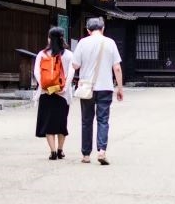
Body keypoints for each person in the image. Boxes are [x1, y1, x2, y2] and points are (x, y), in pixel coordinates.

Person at [72, 16, 124, 165]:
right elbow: (117, 68)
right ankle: (101, 151)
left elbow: (75, 65)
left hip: (87, 87)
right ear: (103, 29)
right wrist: (119, 88)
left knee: (86, 121)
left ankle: (86, 155)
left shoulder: (82, 43)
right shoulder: (110, 43)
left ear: (88, 30)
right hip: (105, 87)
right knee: (103, 120)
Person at [34, 26, 74, 160]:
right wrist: (64, 87)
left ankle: (52, 152)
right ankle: (60, 150)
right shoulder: (68, 54)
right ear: (62, 38)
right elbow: (71, 73)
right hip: (62, 95)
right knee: (61, 123)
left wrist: (44, 86)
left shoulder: (42, 54)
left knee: (48, 123)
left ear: (49, 39)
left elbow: (36, 72)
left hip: (46, 94)